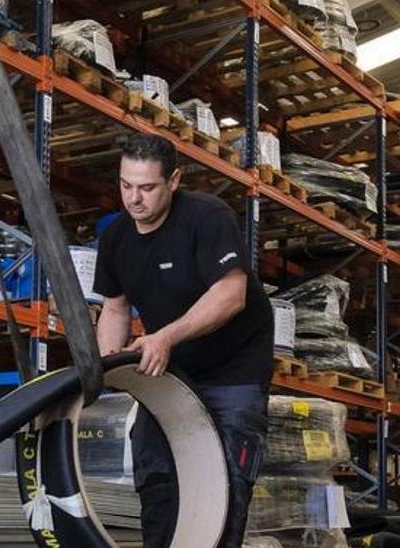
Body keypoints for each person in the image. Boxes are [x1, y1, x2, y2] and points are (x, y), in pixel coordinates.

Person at [94, 133, 273, 547]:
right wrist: (107, 365)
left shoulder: (208, 218)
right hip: (169, 371)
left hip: (233, 370)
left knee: (224, 489)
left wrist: (166, 335)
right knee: (158, 481)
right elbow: (116, 308)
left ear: (174, 180)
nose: (134, 198)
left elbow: (232, 294)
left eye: (147, 187)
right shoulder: (116, 238)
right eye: (125, 185)